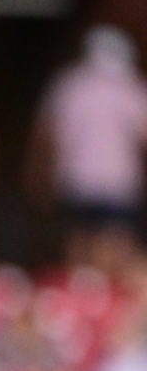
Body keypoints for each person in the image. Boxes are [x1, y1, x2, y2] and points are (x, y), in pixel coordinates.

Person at [37, 25, 147, 272]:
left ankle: (82, 297)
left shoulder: (69, 85)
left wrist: (42, 178)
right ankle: (104, 301)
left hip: (76, 179)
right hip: (117, 181)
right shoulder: (130, 88)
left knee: (78, 245)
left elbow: (47, 136)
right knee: (116, 245)